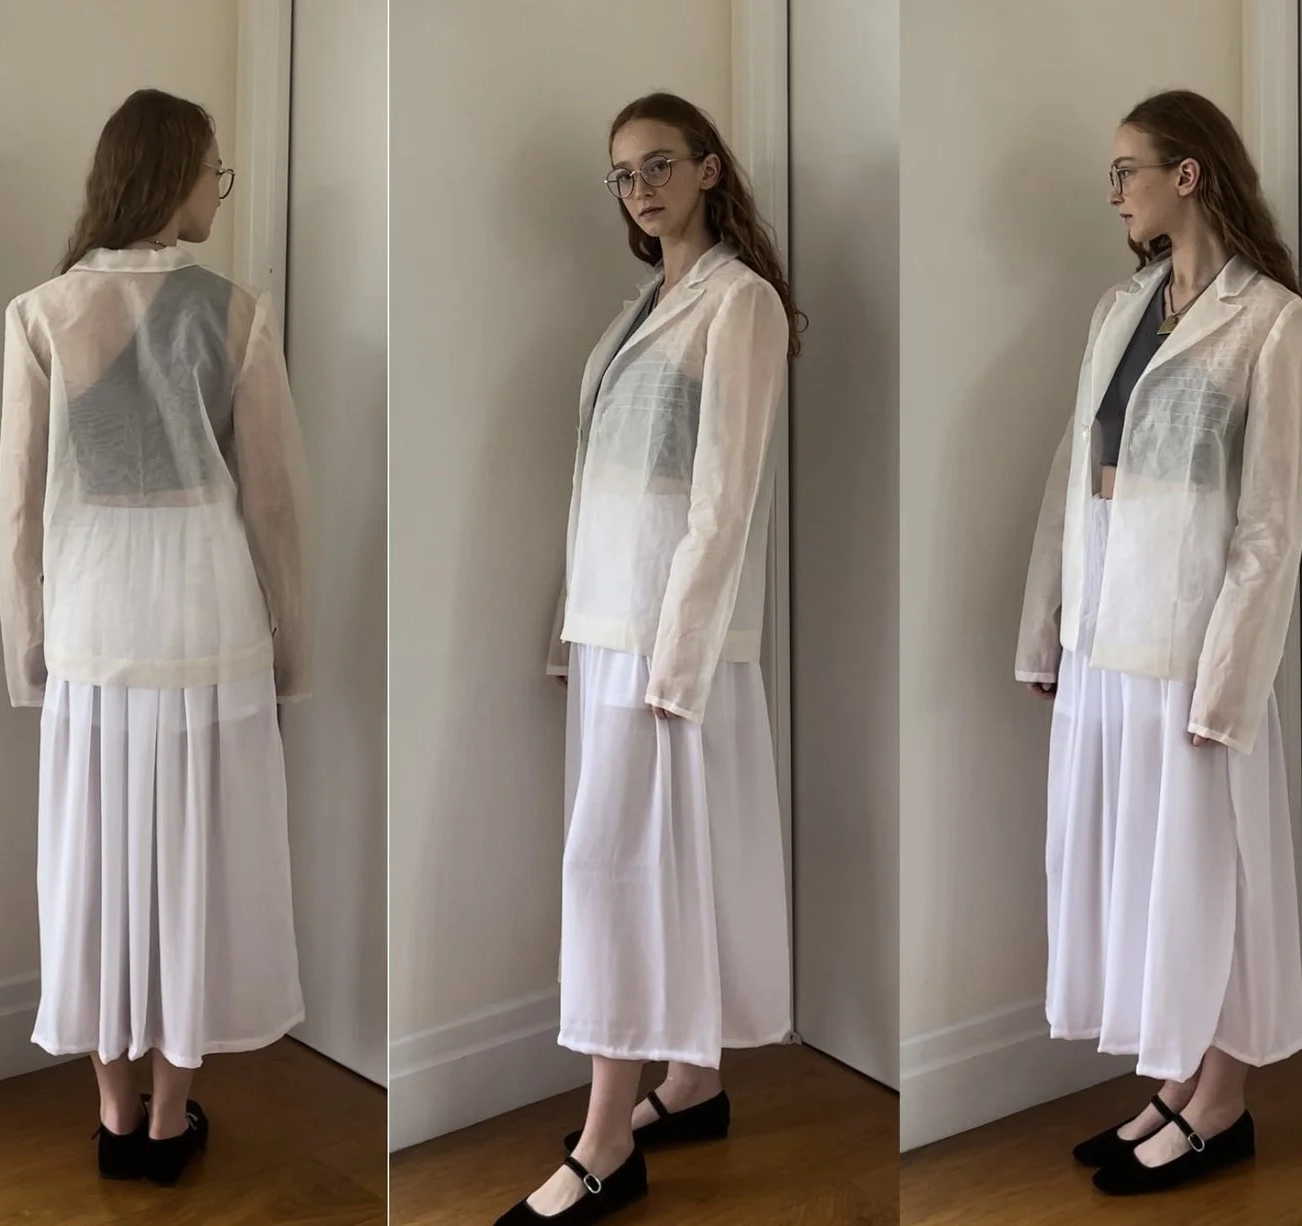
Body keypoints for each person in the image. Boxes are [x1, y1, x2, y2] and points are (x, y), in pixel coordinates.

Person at [0, 86, 307, 1189]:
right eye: (215, 171)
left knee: (94, 867)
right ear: (174, 175)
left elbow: (19, 511)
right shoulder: (238, 312)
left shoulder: (41, 313)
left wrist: (28, 648)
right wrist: (291, 647)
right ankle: (170, 1118)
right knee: (194, 870)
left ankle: (113, 1110)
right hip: (209, 624)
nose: (220, 190)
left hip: (92, 628)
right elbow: (271, 504)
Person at [499, 91, 798, 1225]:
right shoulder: (638, 310)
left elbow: (725, 499)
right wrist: (568, 628)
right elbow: (597, 492)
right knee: (639, 867)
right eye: (623, 174)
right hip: (609, 627)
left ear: (709, 169)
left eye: (660, 164)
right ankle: (693, 1080)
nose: (641, 189)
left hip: (670, 638)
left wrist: (676, 661)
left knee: (617, 872)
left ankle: (605, 1138)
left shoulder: (741, 303)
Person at [1015, 88, 1302, 1197]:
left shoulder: (1275, 323)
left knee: (1211, 874)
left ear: (1186, 174)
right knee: (1145, 876)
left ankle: (1223, 1101)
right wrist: (1047, 626)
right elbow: (1073, 472)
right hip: (1109, 635)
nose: (1113, 193)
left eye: (1124, 171)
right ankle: (1179, 1078)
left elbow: (1270, 525)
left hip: (1194, 648)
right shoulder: (1120, 308)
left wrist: (1226, 683)